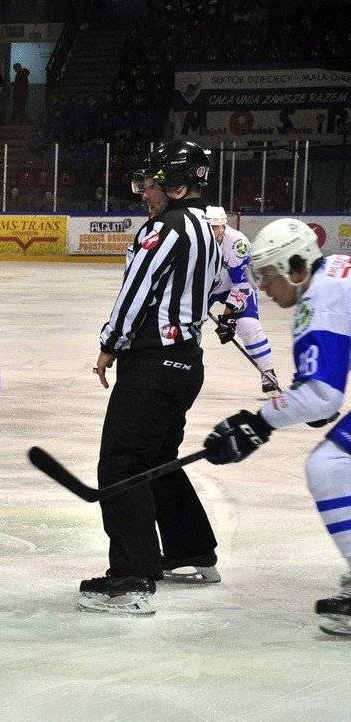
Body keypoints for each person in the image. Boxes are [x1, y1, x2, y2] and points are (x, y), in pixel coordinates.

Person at [86, 140, 223, 615]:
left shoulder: (164, 229)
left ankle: (132, 576)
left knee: (122, 464)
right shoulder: (209, 227)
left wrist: (109, 343)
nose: (145, 192)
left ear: (177, 184)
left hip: (153, 363)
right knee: (159, 458)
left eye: (153, 183)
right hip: (187, 362)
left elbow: (135, 291)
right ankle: (190, 548)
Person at [201, 218, 349, 635]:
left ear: (296, 267)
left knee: (331, 467)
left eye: (267, 275)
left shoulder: (320, 302)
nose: (262, 288)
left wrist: (258, 422)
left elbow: (323, 396)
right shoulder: (334, 270)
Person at [206, 206, 278, 393]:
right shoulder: (195, 240)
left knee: (247, 325)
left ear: (224, 225)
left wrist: (228, 318)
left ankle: (267, 371)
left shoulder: (237, 243)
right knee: (187, 323)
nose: (215, 232)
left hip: (234, 285)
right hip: (207, 288)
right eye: (210, 227)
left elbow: (243, 283)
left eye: (218, 227)